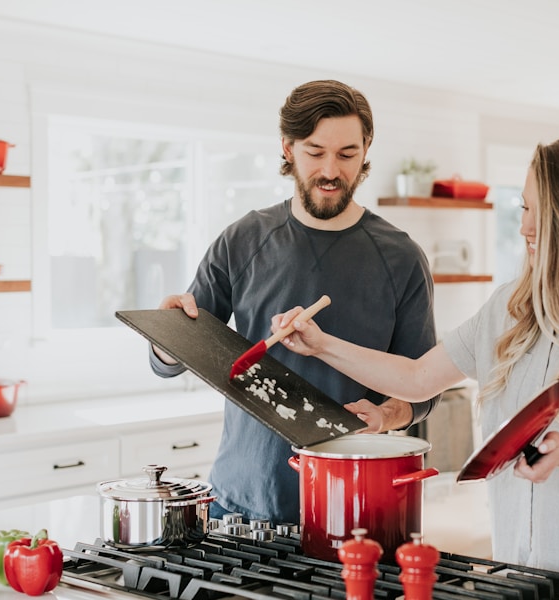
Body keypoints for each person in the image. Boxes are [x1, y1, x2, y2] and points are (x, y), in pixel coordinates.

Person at [275, 131, 559, 600]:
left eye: (540, 212)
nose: (525, 227)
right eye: (523, 208)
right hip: (533, 580)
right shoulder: (511, 309)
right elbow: (418, 378)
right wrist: (320, 344)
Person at [149, 79, 440, 526]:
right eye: (315, 151)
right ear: (287, 148)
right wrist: (166, 338)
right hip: (239, 504)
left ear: (365, 151)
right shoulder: (242, 240)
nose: (331, 170)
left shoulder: (401, 258)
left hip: (354, 506)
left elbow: (423, 390)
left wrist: (386, 415)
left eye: (346, 154)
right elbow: (175, 355)